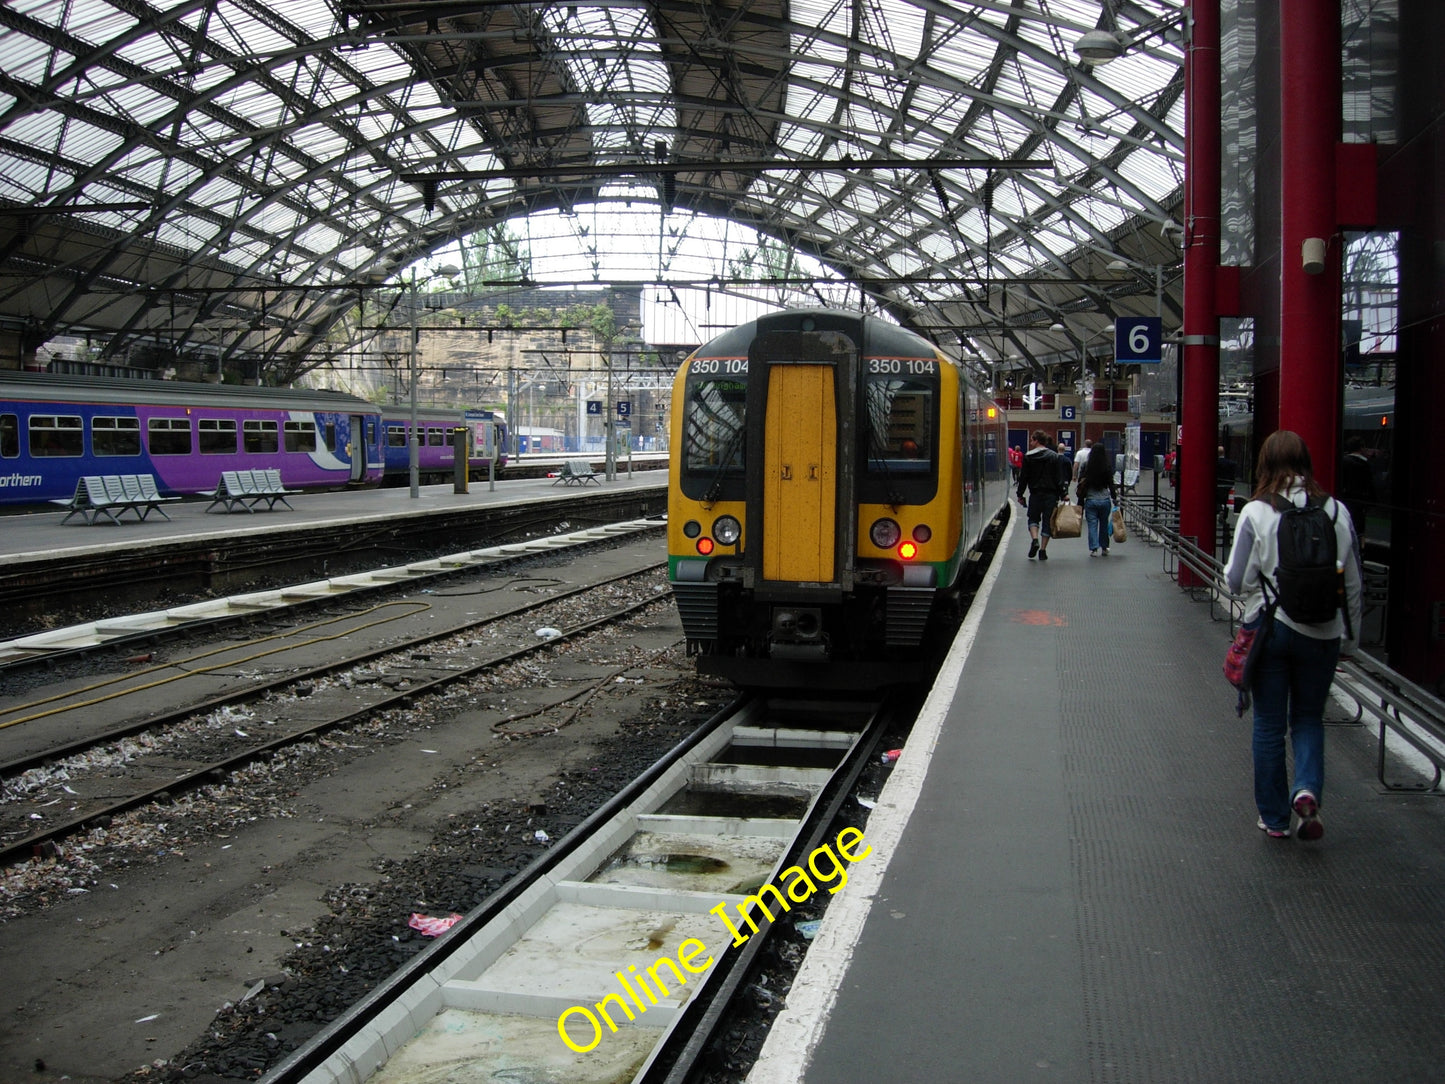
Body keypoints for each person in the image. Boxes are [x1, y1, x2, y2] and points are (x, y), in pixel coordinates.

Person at [1224, 430, 1363, 842]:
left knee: (1269, 724)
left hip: (1271, 630)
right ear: (1306, 464)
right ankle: (1306, 790)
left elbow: (1235, 579)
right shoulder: (1336, 512)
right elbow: (1352, 583)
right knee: (1307, 718)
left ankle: (1275, 818)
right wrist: (1349, 640)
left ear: (1264, 464)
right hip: (1322, 632)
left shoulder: (1256, 513)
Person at [1016, 429, 1064, 561]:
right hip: (1051, 495)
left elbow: (1023, 477)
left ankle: (1035, 539)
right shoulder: (1054, 456)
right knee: (1048, 522)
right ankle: (1043, 550)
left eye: (1032, 440)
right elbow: (1059, 478)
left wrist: (1020, 494)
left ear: (1037, 440)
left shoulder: (1028, 457)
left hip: (1035, 494)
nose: (1031, 442)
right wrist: (1063, 493)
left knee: (1033, 519)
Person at [1077, 443, 1117, 556]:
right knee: (1103, 524)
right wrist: (1114, 498)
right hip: (1105, 499)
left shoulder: (1087, 466)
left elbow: (1081, 483)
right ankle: (1104, 547)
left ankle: (1094, 548)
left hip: (1091, 499)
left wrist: (1080, 503)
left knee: (1092, 525)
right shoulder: (1107, 466)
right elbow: (1111, 484)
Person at [1339, 436, 1374, 543]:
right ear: (1361, 448)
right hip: (1359, 503)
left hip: (1346, 500)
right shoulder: (1365, 465)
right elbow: (1370, 485)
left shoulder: (1343, 462)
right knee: (1358, 530)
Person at [1216, 444, 1238, 524]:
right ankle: (1224, 512)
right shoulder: (1230, 463)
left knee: (1217, 499)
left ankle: (1220, 510)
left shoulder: (1215, 463)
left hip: (1217, 485)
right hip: (1227, 485)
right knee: (1225, 499)